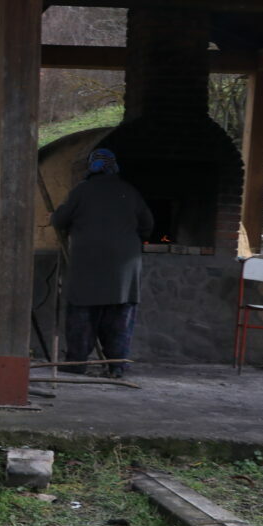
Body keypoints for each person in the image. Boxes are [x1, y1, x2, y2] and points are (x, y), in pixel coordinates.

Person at [50, 148, 154, 378]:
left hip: (88, 266)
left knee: (82, 316)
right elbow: (148, 226)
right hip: (125, 271)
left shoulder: (81, 191)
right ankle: (117, 365)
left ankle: (76, 363)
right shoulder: (130, 191)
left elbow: (59, 220)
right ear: (114, 167)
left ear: (91, 167)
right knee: (119, 320)